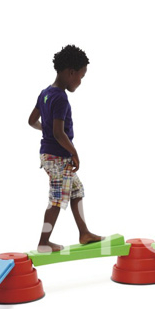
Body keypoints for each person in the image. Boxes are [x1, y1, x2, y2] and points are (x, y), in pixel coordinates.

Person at [28, 45, 102, 253]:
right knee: (57, 199)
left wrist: (46, 129)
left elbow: (32, 121)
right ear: (70, 72)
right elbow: (59, 133)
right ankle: (44, 242)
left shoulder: (45, 93)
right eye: (81, 76)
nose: (80, 81)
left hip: (50, 154)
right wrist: (74, 152)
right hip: (58, 156)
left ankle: (84, 232)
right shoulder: (60, 97)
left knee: (76, 190)